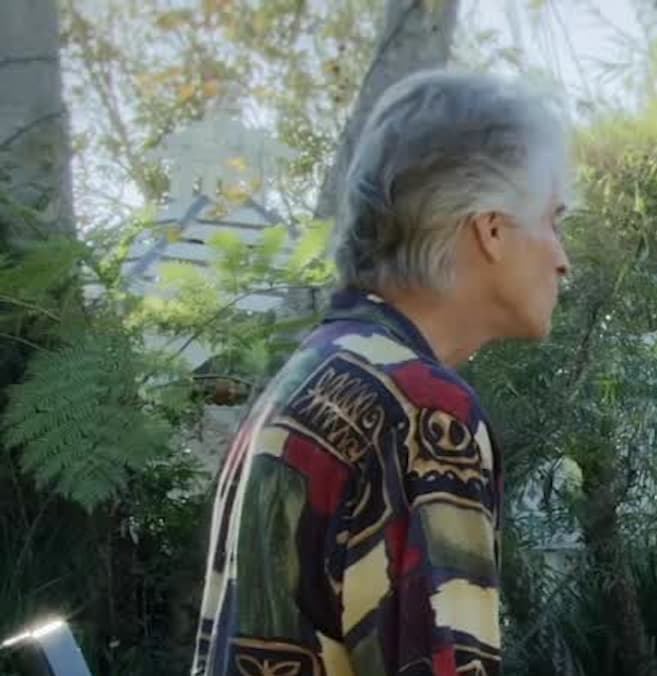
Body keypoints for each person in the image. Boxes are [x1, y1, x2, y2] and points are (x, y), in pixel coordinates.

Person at [191, 70, 573, 675]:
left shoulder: (315, 371)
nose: (562, 259)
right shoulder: (420, 411)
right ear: (492, 229)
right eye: (554, 221)